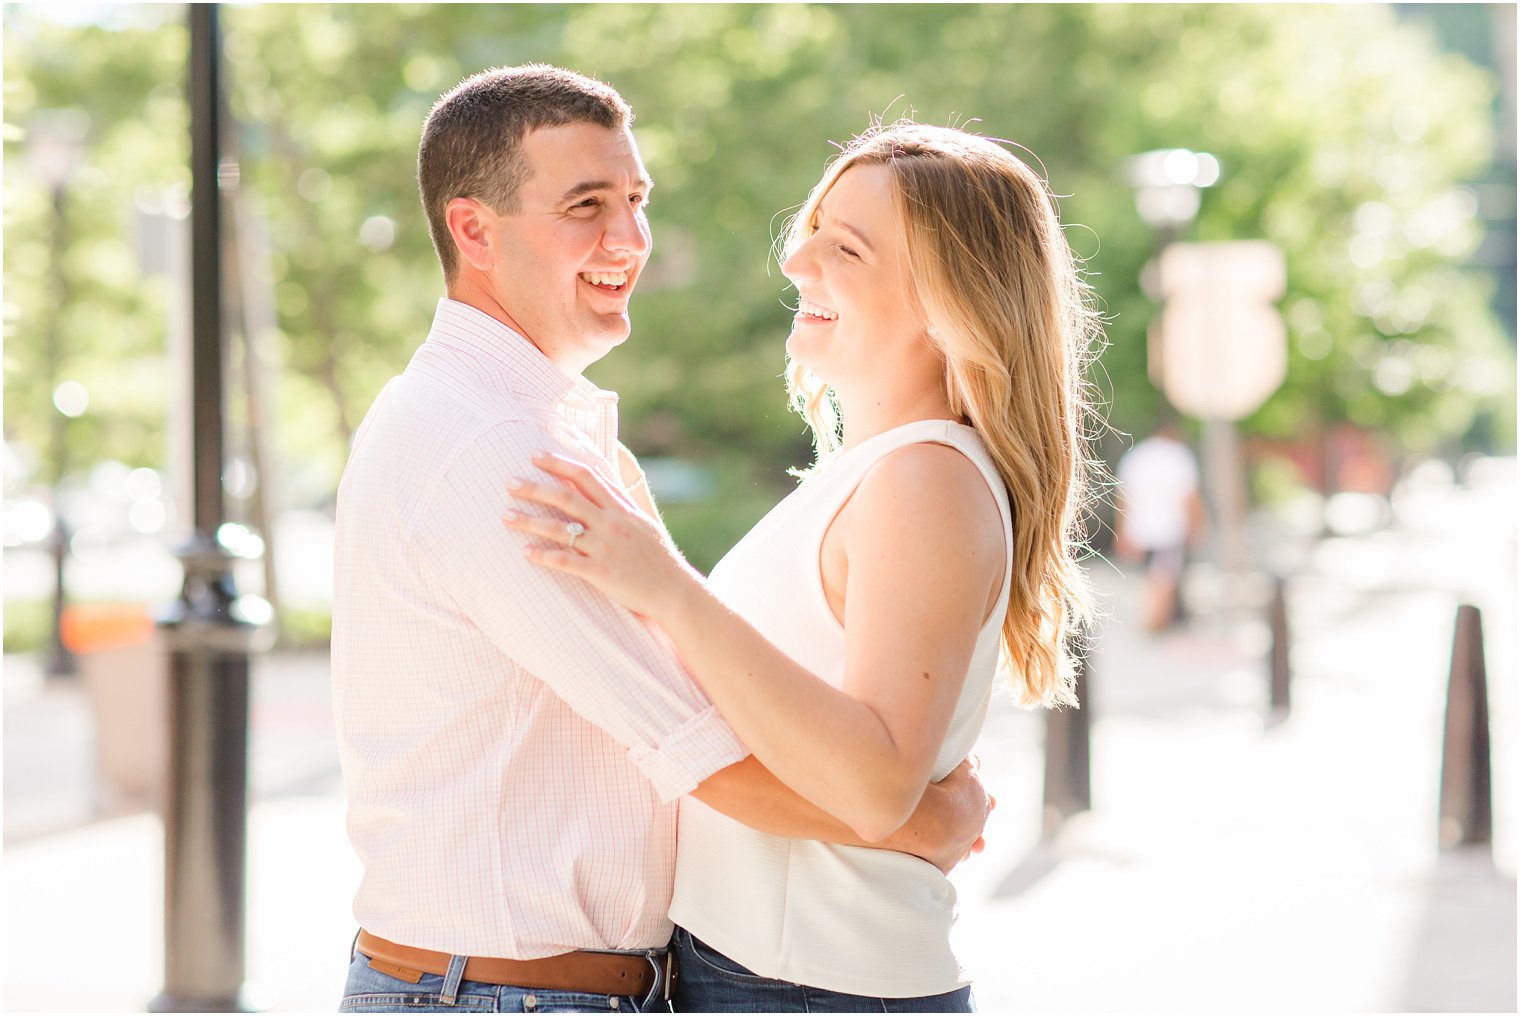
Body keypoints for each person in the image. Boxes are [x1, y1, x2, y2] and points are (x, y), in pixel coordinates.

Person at [332, 68, 988, 1014]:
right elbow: (697, 750)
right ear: (474, 231)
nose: (628, 239)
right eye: (586, 205)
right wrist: (923, 820)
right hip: (496, 996)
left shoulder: (528, 427)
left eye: (635, 200)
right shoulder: (493, 450)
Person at [505, 121, 1101, 1012]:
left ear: (950, 301)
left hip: (804, 985)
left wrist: (663, 583)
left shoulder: (927, 479)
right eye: (812, 232)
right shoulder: (893, 471)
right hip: (778, 975)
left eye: (845, 248)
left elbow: (873, 781)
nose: (797, 264)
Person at [1114, 419, 1205, 632]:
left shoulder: (1136, 456)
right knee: (1164, 575)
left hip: (1139, 528)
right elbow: (1189, 497)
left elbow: (1122, 497)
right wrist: (1196, 526)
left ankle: (1157, 617)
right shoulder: (1178, 456)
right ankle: (1155, 621)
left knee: (1152, 576)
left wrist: (1121, 531)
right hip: (1169, 528)